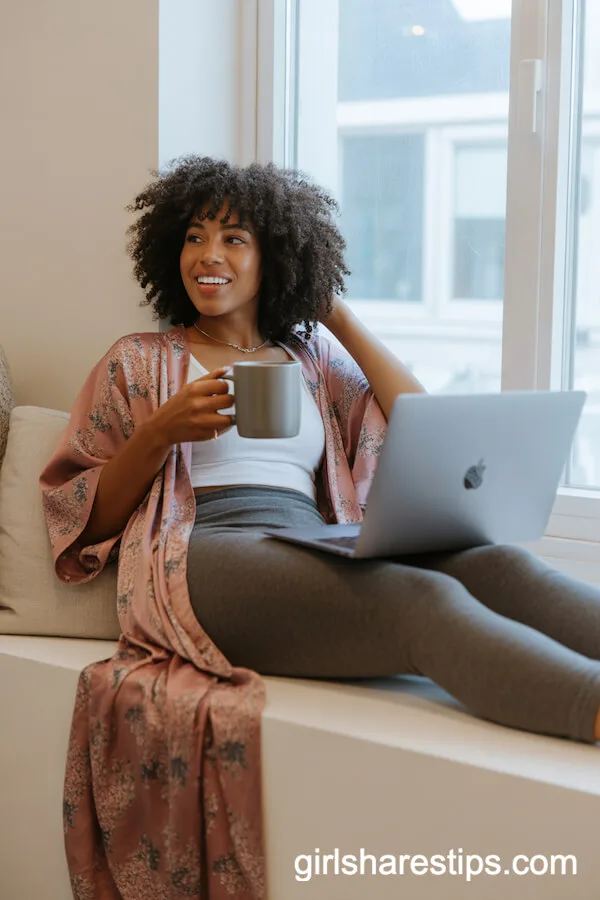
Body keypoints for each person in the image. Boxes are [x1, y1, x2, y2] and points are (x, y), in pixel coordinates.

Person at [40, 155, 600, 900]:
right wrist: (160, 433)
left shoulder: (310, 357)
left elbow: (418, 421)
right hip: (201, 556)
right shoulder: (139, 361)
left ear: (276, 253)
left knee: (494, 564)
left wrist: (335, 313)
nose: (208, 256)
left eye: (235, 238)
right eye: (195, 237)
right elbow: (82, 519)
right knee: (417, 603)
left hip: (305, 538)